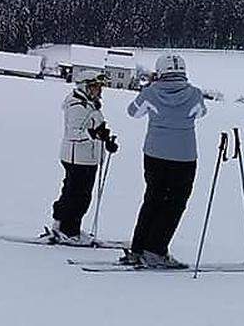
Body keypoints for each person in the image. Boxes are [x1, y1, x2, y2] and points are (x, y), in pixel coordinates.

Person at [121, 54, 207, 269]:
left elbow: (133, 112)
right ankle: (156, 251)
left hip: (154, 156)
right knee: (174, 204)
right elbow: (201, 113)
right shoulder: (195, 94)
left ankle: (138, 248)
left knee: (152, 199)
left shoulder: (150, 92)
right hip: (184, 158)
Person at [49, 70, 117, 244]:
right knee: (77, 196)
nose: (99, 91)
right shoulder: (77, 106)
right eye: (95, 87)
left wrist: (106, 140)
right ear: (85, 87)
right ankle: (68, 230)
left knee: (77, 194)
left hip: (88, 157)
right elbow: (74, 132)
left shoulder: (90, 105)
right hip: (77, 158)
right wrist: (94, 134)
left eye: (99, 87)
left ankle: (66, 227)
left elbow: (95, 128)